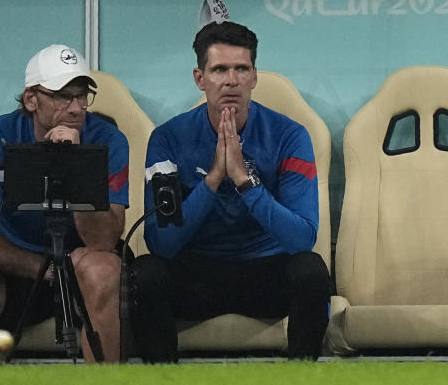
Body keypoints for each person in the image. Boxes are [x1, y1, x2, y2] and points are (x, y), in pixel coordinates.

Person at [131, 21, 330, 362]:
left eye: (241, 69)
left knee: (311, 271)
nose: (231, 80)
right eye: (219, 69)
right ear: (200, 78)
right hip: (195, 274)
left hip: (266, 273)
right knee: (146, 273)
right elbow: (161, 244)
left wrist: (243, 179)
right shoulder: (167, 139)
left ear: (254, 76)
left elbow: (302, 239)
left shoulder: (290, 136)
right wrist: (212, 179)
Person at [0, 44, 129, 362]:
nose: (77, 108)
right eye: (64, 96)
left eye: (82, 96)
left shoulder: (108, 140)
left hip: (83, 259)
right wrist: (48, 270)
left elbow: (103, 241)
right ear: (31, 99)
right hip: (17, 265)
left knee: (103, 269)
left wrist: (76, 163)